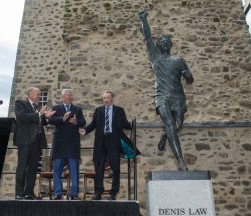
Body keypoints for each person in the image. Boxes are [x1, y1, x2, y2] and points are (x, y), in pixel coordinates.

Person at [139, 9, 194, 171]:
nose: (163, 43)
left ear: (170, 45)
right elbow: (147, 37)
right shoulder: (155, 57)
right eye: (161, 41)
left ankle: (165, 135)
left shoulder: (179, 60)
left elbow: (190, 79)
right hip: (161, 96)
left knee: (178, 124)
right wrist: (143, 19)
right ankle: (181, 162)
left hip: (178, 97)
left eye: (166, 41)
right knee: (170, 124)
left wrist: (188, 75)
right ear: (158, 45)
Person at [79, 90, 132, 200]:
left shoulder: (119, 110)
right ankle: (98, 192)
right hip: (100, 142)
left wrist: (132, 125)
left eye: (108, 98)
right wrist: (85, 130)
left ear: (112, 98)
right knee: (99, 168)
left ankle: (113, 192)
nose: (106, 100)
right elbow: (93, 124)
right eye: (104, 98)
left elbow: (125, 124)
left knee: (115, 167)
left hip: (114, 141)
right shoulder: (98, 110)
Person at [14, 87, 55, 200]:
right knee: (22, 167)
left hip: (37, 142)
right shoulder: (20, 103)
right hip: (25, 141)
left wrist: (46, 118)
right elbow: (23, 117)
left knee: (33, 168)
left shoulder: (37, 107)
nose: (40, 96)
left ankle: (29, 193)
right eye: (38, 94)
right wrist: (40, 114)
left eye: (40, 94)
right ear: (30, 94)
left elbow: (40, 122)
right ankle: (19, 193)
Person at [49, 89, 86, 200]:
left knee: (74, 170)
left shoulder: (77, 109)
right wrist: (62, 118)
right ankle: (58, 193)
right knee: (57, 170)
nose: (69, 97)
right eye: (67, 95)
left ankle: (74, 194)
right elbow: (51, 121)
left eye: (70, 95)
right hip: (59, 144)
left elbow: (83, 122)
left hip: (73, 144)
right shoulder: (56, 108)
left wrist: (76, 122)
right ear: (63, 97)